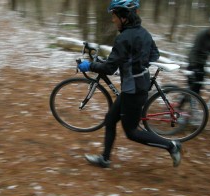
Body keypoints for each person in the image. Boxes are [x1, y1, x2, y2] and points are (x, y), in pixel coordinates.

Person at [77, 0, 182, 168]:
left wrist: (89, 65)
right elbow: (154, 55)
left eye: (114, 16)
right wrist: (134, 64)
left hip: (134, 90)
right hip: (136, 86)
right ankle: (105, 159)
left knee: (132, 132)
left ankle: (172, 146)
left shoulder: (123, 38)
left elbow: (110, 68)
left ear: (124, 17)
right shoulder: (144, 33)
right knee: (110, 120)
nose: (113, 20)